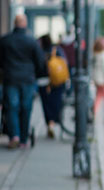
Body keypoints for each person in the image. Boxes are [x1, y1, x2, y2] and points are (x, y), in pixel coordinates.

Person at [0, 15, 46, 148]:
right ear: (25, 24)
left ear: (14, 24)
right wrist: (35, 73)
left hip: (10, 78)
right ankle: (23, 140)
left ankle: (14, 135)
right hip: (27, 79)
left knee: (11, 107)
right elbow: (40, 61)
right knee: (26, 108)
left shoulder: (5, 41)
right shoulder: (31, 41)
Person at [38, 34, 68, 138]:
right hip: (57, 81)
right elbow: (65, 63)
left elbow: (38, 66)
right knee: (56, 102)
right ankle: (52, 123)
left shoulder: (40, 51)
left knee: (46, 104)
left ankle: (49, 123)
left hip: (43, 81)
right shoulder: (57, 49)